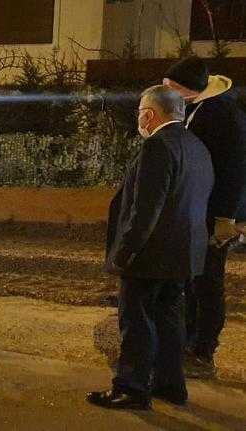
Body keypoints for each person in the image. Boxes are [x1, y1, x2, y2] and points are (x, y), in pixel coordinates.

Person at [87, 85, 214, 410]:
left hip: (150, 256)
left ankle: (131, 387)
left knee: (136, 321)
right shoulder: (197, 146)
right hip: (183, 255)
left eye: (141, 111)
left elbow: (145, 210)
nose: (139, 118)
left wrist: (125, 253)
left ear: (150, 114)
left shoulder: (158, 147)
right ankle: (170, 385)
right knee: (170, 321)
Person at [164, 57, 246, 377]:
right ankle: (189, 339)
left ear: (188, 88)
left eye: (171, 88)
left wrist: (225, 218)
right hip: (203, 207)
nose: (166, 93)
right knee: (195, 277)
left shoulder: (221, 113)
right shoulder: (203, 107)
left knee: (208, 280)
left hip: (216, 212)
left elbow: (235, 169)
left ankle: (203, 349)